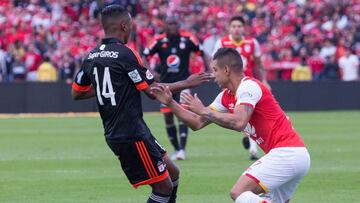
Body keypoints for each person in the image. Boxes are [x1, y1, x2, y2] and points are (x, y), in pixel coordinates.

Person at [71, 5, 211, 203]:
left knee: (173, 173)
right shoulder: (127, 54)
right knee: (163, 188)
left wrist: (113, 86)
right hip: (129, 133)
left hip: (130, 130)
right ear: (124, 26)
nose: (132, 28)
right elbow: (153, 92)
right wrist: (187, 82)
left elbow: (76, 92)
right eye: (131, 25)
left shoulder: (91, 56)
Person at [152, 48, 310, 203]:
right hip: (292, 156)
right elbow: (197, 122)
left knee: (239, 192)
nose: (213, 75)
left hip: (287, 153)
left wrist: (204, 111)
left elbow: (239, 122)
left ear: (226, 69)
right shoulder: (225, 96)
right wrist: (170, 102)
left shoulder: (248, 86)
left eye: (215, 70)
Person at [142, 16, 210, 160]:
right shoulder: (158, 40)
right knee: (168, 117)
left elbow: (202, 53)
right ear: (165, 26)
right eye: (170, 24)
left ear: (179, 25)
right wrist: (151, 73)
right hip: (166, 86)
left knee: (183, 114)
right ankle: (177, 149)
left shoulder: (188, 38)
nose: (172, 26)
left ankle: (182, 151)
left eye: (175, 23)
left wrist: (208, 70)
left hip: (185, 83)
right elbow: (144, 57)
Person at [212, 16, 270, 160]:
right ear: (229, 28)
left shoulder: (252, 42)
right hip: (232, 86)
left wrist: (264, 80)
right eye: (234, 26)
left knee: (249, 117)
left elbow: (259, 63)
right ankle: (250, 139)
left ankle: (253, 148)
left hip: (248, 86)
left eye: (239, 26)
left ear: (243, 28)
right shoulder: (222, 42)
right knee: (241, 117)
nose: (236, 29)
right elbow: (214, 63)